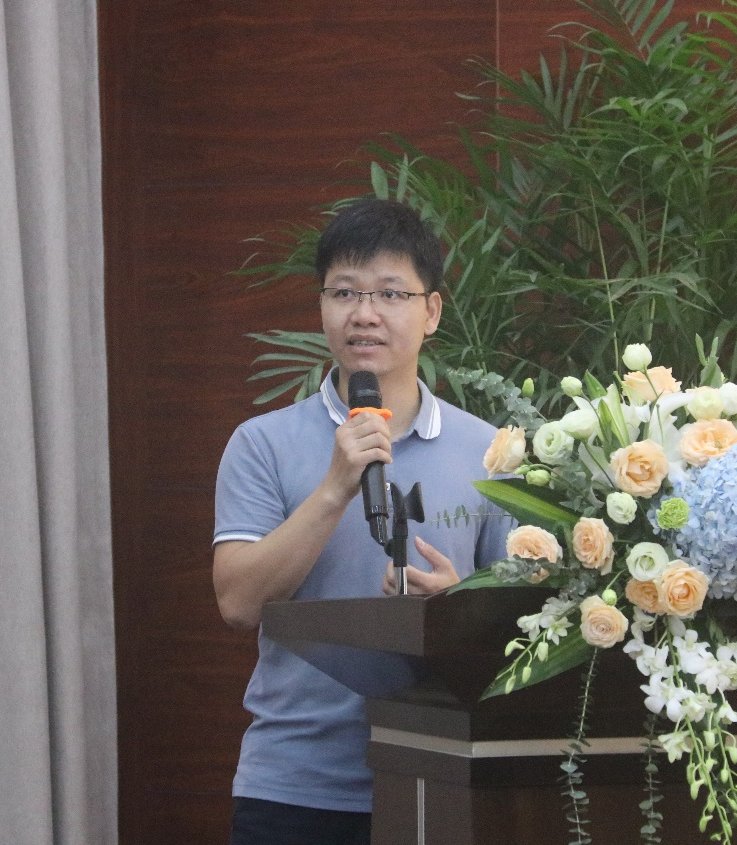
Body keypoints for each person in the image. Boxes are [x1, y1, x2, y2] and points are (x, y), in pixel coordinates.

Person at [213, 199, 513, 845]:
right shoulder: (261, 443)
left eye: (390, 293)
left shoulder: (492, 452)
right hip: (296, 786)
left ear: (432, 311)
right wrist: (333, 488)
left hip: (445, 777)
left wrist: (459, 606)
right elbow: (237, 602)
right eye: (344, 292)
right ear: (322, 307)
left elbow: (524, 626)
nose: (365, 313)